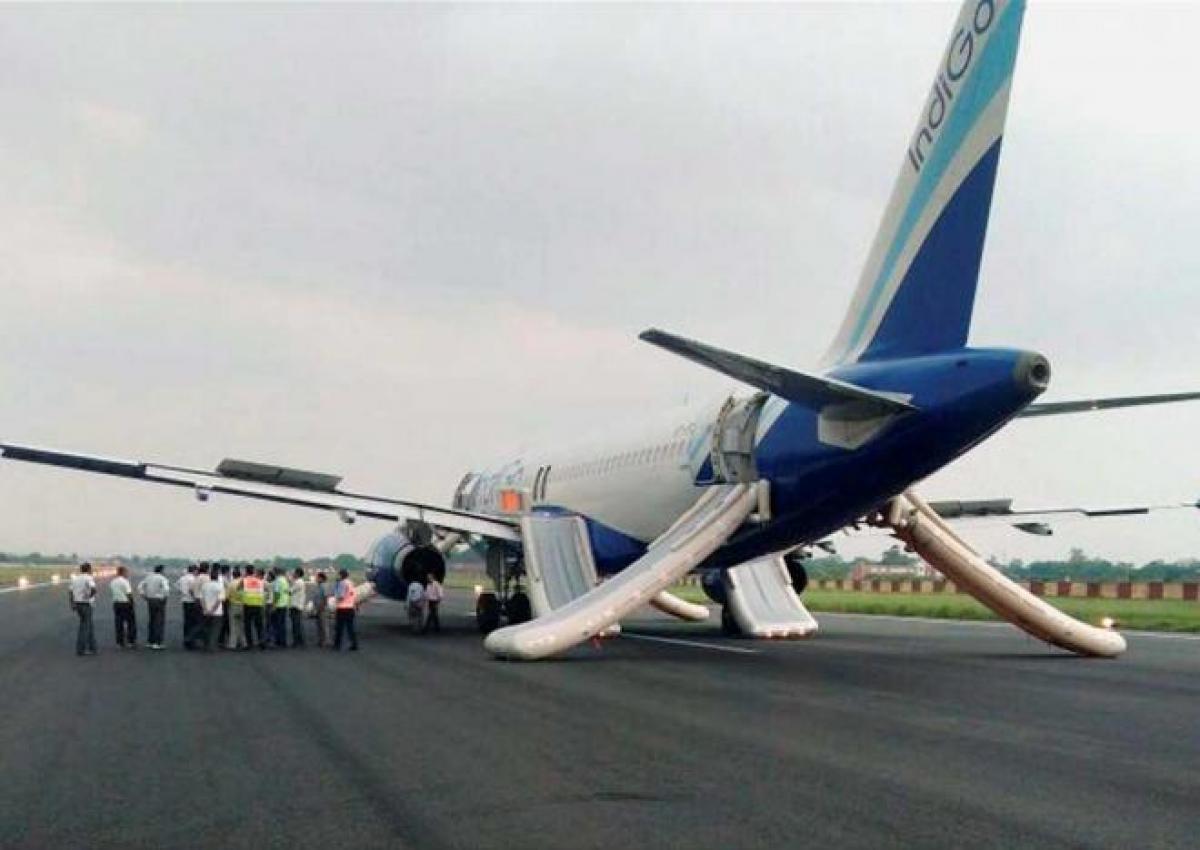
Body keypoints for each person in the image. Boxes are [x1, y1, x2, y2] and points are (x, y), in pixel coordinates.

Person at [137, 564, 170, 650]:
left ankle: (150, 641)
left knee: (152, 620)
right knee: (159, 621)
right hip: (159, 600)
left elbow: (140, 586)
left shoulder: (148, 577)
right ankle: (157, 642)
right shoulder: (162, 578)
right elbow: (166, 589)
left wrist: (143, 595)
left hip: (150, 600)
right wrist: (164, 597)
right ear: (162, 570)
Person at [69, 562, 98, 656]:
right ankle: (81, 649)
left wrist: (72, 603)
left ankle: (93, 647)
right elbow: (93, 588)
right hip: (86, 604)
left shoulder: (75, 578)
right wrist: (89, 596)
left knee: (88, 625)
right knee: (85, 627)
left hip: (77, 603)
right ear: (89, 569)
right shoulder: (88, 578)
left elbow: (70, 592)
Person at [110, 565, 137, 648]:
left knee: (119, 624)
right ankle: (131, 641)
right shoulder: (125, 581)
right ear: (123, 572)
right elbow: (129, 593)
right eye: (126, 572)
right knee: (131, 623)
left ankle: (120, 642)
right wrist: (133, 603)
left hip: (116, 603)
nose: (127, 573)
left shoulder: (113, 582)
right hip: (125, 603)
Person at [200, 565, 225, 652]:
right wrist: (213, 610)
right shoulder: (219, 586)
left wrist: (206, 609)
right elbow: (220, 600)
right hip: (217, 612)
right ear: (217, 577)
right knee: (215, 630)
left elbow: (201, 599)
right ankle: (212, 646)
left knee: (206, 629)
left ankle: (206, 645)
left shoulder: (204, 586)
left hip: (206, 610)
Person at [332, 569, 358, 651]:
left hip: (342, 608)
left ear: (341, 575)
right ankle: (354, 644)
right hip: (350, 607)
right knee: (350, 628)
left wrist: (336, 588)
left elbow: (341, 596)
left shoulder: (342, 583)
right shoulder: (351, 583)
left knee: (339, 627)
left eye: (339, 575)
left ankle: (337, 644)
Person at [241, 568, 267, 650]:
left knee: (248, 626)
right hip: (258, 605)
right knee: (259, 626)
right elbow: (266, 590)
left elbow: (238, 588)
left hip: (248, 605)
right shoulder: (260, 581)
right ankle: (262, 642)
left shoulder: (245, 580)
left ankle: (249, 644)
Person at [187, 563, 212, 649]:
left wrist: (195, 597)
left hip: (196, 601)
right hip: (203, 601)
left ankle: (205, 641)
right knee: (203, 623)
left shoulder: (196, 578)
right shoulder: (206, 578)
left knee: (199, 622)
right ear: (207, 569)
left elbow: (190, 590)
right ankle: (190, 638)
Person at [177, 565, 199, 650]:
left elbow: (177, 586)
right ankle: (190, 640)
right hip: (191, 601)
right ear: (194, 571)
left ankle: (186, 638)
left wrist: (183, 592)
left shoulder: (182, 578)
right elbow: (192, 590)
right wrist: (195, 598)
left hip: (184, 600)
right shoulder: (192, 579)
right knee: (193, 622)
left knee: (187, 621)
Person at [225, 567, 246, 650]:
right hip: (243, 605)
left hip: (233, 605)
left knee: (233, 626)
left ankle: (232, 644)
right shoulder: (244, 584)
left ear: (233, 575)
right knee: (242, 626)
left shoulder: (231, 584)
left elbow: (226, 596)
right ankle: (243, 642)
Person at [271, 568, 291, 648]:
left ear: (276, 573)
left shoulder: (277, 581)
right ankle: (283, 641)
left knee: (277, 624)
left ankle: (278, 641)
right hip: (284, 603)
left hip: (279, 604)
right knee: (282, 624)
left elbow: (276, 593)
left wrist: (274, 604)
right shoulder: (285, 581)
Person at [289, 568, 307, 648]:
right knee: (297, 624)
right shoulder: (299, 582)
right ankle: (300, 641)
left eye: (294, 573)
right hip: (297, 605)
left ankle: (297, 642)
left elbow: (290, 591)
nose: (293, 574)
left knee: (296, 625)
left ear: (298, 574)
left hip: (296, 605)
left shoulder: (298, 582)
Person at [311, 572, 330, 648]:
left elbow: (325, 598)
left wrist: (321, 608)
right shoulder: (318, 586)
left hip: (322, 608)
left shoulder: (324, 586)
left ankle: (325, 641)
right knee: (319, 625)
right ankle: (321, 640)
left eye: (317, 577)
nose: (316, 579)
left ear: (321, 578)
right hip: (318, 608)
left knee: (323, 625)